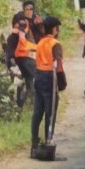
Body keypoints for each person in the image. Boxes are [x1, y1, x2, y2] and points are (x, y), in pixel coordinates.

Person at [30, 16, 67, 160]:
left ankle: (34, 146)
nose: (58, 30)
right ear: (54, 28)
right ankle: (48, 146)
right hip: (49, 79)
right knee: (50, 113)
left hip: (38, 77)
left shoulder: (40, 43)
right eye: (57, 27)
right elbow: (58, 64)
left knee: (37, 113)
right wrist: (62, 82)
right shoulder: (55, 44)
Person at [4, 12, 37, 108]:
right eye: (19, 24)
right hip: (17, 68)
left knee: (32, 84)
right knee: (19, 86)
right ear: (15, 25)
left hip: (30, 66)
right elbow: (9, 54)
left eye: (24, 24)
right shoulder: (12, 38)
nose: (21, 27)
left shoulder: (29, 36)